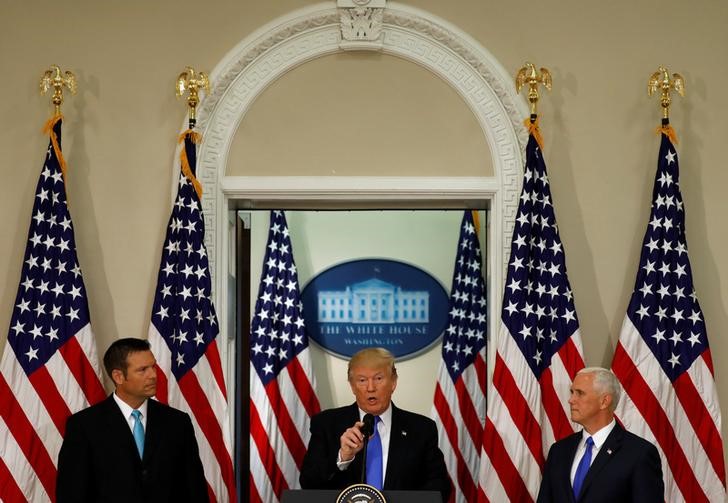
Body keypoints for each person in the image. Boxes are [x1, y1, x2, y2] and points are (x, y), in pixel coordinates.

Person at [56, 338, 209, 503]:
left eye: (153, 366)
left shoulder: (178, 423)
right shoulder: (83, 426)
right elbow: (71, 494)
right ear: (118, 376)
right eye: (143, 370)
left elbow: (195, 490)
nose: (153, 375)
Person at [300, 347, 451, 500]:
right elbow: (308, 482)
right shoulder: (327, 424)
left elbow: (439, 488)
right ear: (352, 386)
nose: (370, 388)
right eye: (362, 380)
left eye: (378, 378)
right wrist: (343, 457)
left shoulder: (422, 429)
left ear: (393, 382)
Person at [536, 367, 664, 503]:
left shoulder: (639, 454)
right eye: (572, 392)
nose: (571, 400)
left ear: (604, 401)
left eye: (580, 393)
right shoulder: (559, 450)